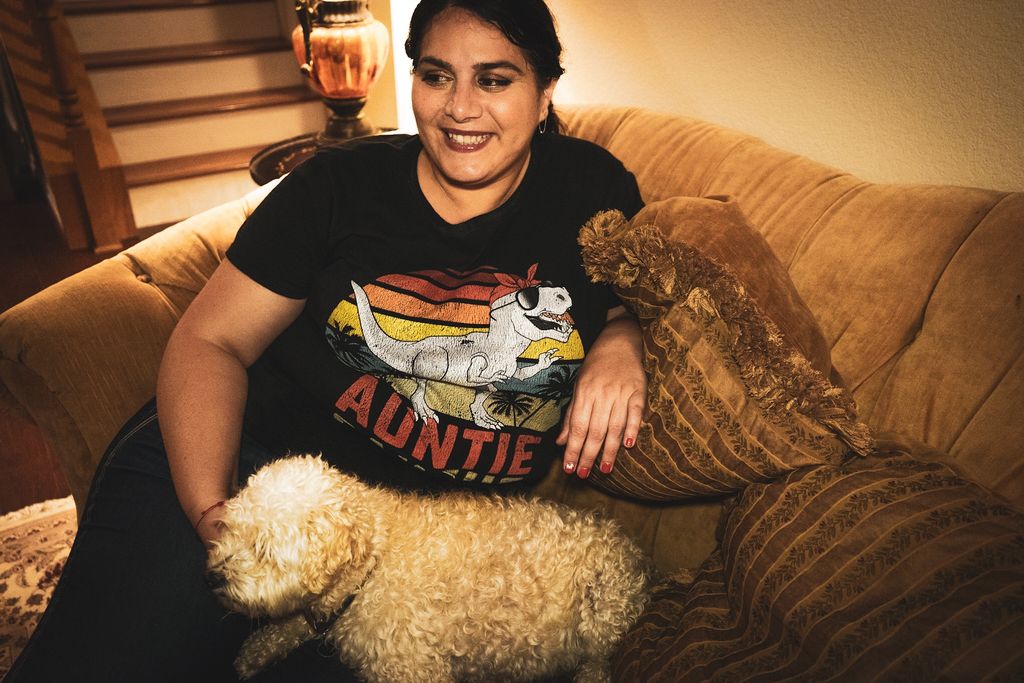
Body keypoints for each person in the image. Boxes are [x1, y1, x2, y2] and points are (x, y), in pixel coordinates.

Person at [6, 0, 646, 680]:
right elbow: (210, 341)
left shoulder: (593, 190)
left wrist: (622, 334)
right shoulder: (337, 186)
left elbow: (651, 293)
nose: (461, 107)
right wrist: (215, 513)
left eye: (494, 79)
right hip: (252, 468)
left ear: (545, 93)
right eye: (437, 76)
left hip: (413, 562)